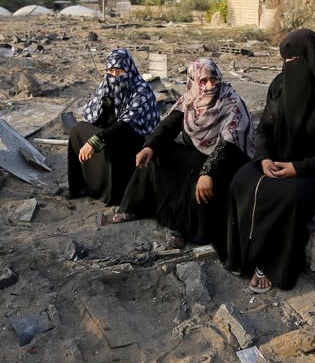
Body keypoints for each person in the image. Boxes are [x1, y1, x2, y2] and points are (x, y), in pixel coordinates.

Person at [224, 28, 315, 293]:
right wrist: (265, 157)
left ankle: (271, 264)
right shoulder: (280, 85)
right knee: (242, 180)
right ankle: (241, 254)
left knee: (287, 195)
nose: (290, 67)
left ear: (312, 58)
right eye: (285, 61)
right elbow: (265, 127)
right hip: (281, 158)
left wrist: (298, 168)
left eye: (295, 60)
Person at [115, 58, 254, 253]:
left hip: (227, 159)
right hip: (197, 150)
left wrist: (208, 173)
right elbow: (170, 124)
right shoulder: (190, 99)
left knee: (194, 173)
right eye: (203, 81)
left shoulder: (231, 103)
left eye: (213, 79)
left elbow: (228, 146)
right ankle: (135, 207)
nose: (210, 86)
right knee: (157, 156)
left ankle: (182, 230)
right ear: (193, 81)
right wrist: (150, 146)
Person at [67, 48, 160, 205]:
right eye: (111, 70)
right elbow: (94, 116)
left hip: (137, 139)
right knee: (78, 131)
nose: (115, 76)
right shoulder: (107, 85)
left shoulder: (141, 90)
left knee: (109, 140)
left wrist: (94, 141)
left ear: (129, 69)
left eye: (119, 70)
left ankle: (111, 194)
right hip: (113, 131)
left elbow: (125, 124)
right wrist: (106, 104)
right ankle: (82, 187)